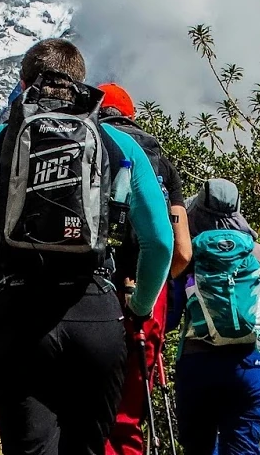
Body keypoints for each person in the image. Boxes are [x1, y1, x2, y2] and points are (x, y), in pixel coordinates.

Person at [0, 39, 174, 455]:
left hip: (19, 315)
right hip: (96, 312)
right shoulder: (120, 146)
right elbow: (159, 243)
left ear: (23, 82)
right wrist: (138, 308)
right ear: (80, 83)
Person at [97, 83, 193, 455]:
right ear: (130, 115)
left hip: (92, 292)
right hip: (147, 299)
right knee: (128, 417)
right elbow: (180, 251)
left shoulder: (91, 147)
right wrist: (151, 291)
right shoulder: (159, 161)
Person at [170, 178, 260, 455]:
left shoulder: (189, 255)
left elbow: (172, 316)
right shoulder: (259, 253)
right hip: (250, 365)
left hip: (197, 366)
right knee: (243, 448)